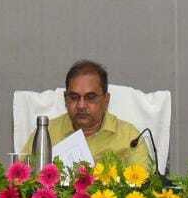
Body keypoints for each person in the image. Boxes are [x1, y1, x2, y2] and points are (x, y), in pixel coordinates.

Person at [22, 60, 151, 169]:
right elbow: (20, 179)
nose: (81, 105)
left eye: (90, 97)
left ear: (106, 100)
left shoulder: (129, 138)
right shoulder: (45, 135)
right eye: (74, 97)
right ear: (65, 99)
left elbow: (145, 184)